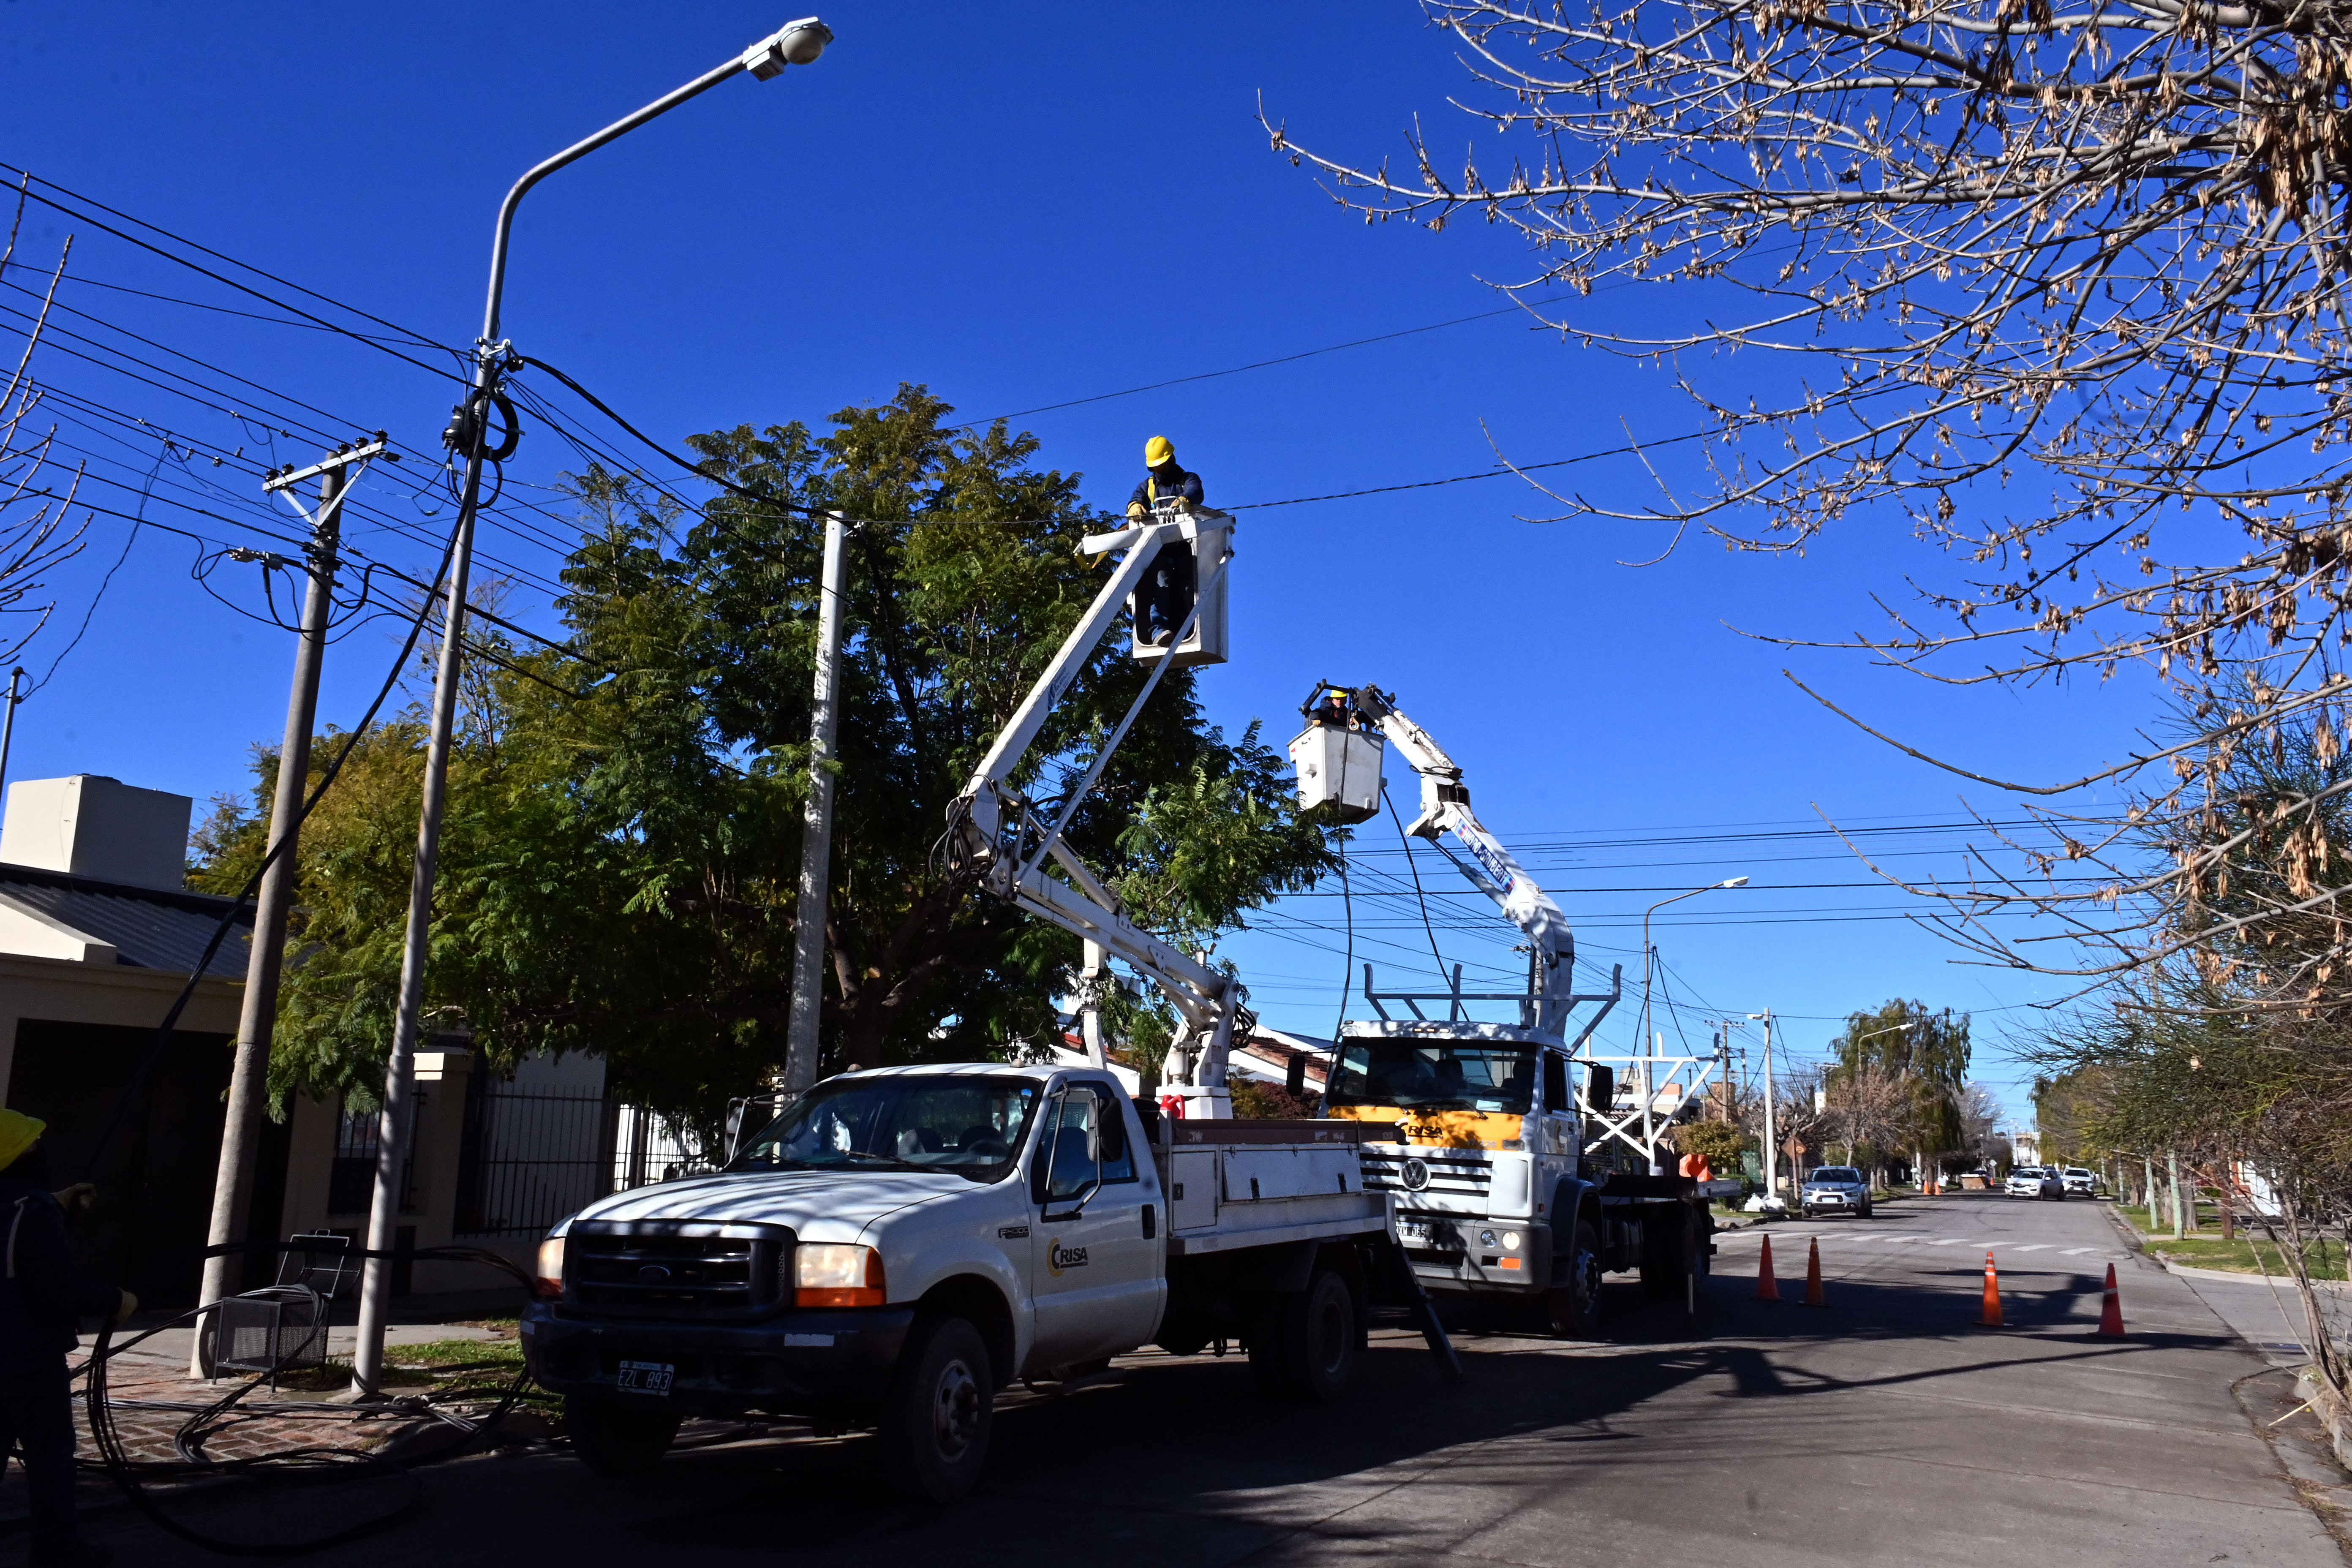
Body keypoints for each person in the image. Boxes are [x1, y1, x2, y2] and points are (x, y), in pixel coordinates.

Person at [0, 1110, 133, 1567]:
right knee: (51, 1458)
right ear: (20, 1155)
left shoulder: (25, 1207)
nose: (42, 1151)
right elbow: (56, 1289)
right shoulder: (31, 1212)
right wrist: (116, 1298)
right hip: (27, 1359)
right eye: (34, 1146)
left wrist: (55, 1203)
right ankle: (58, 1552)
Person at [1125, 436, 1205, 647]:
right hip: (1160, 550)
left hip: (1185, 549)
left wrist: (1185, 500)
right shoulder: (1148, 487)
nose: (1159, 471)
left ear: (1171, 459)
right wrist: (1133, 506)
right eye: (1156, 468)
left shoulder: (1187, 480)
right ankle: (1159, 630)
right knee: (1162, 586)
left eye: (1162, 465)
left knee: (1187, 590)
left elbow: (1195, 491)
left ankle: (1183, 630)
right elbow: (1136, 499)